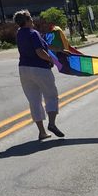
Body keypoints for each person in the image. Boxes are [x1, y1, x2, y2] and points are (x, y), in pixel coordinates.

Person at [14, 9, 64, 141]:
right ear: (26, 21)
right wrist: (52, 60)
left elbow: (45, 46)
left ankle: (42, 132)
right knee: (51, 96)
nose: (32, 20)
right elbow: (40, 51)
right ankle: (52, 124)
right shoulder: (33, 33)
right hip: (40, 68)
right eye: (30, 18)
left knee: (34, 101)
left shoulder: (19, 34)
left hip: (24, 69)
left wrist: (60, 50)